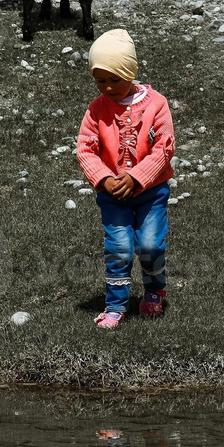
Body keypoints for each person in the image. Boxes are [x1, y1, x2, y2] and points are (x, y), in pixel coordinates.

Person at [75, 29, 176, 329]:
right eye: (100, 81)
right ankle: (115, 304)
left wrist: (136, 177)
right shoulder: (96, 110)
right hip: (113, 195)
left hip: (151, 192)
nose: (106, 87)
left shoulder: (157, 104)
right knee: (118, 247)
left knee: (150, 245)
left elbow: (164, 148)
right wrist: (104, 178)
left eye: (113, 79)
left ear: (129, 72)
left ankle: (155, 291)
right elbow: (85, 148)